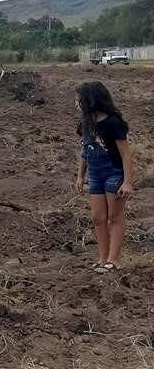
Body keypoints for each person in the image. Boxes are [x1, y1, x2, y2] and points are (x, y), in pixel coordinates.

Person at [75, 82, 134, 274]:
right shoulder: (85, 123)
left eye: (80, 98)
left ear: (90, 100)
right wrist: (80, 176)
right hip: (95, 176)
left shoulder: (113, 123)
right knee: (97, 218)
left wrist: (127, 182)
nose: (77, 102)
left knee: (114, 218)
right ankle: (102, 258)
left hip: (114, 174)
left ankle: (114, 260)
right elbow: (85, 151)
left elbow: (126, 154)